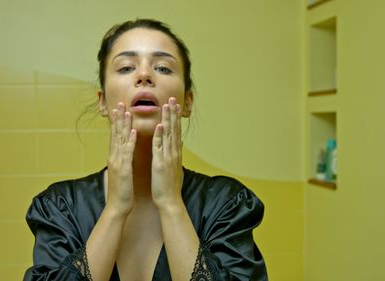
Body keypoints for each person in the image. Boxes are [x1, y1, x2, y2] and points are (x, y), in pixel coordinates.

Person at [23, 18, 267, 281]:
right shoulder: (61, 207)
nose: (144, 75)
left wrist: (171, 204)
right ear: (103, 101)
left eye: (163, 68)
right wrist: (115, 208)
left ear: (187, 102)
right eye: (126, 67)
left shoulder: (226, 204)